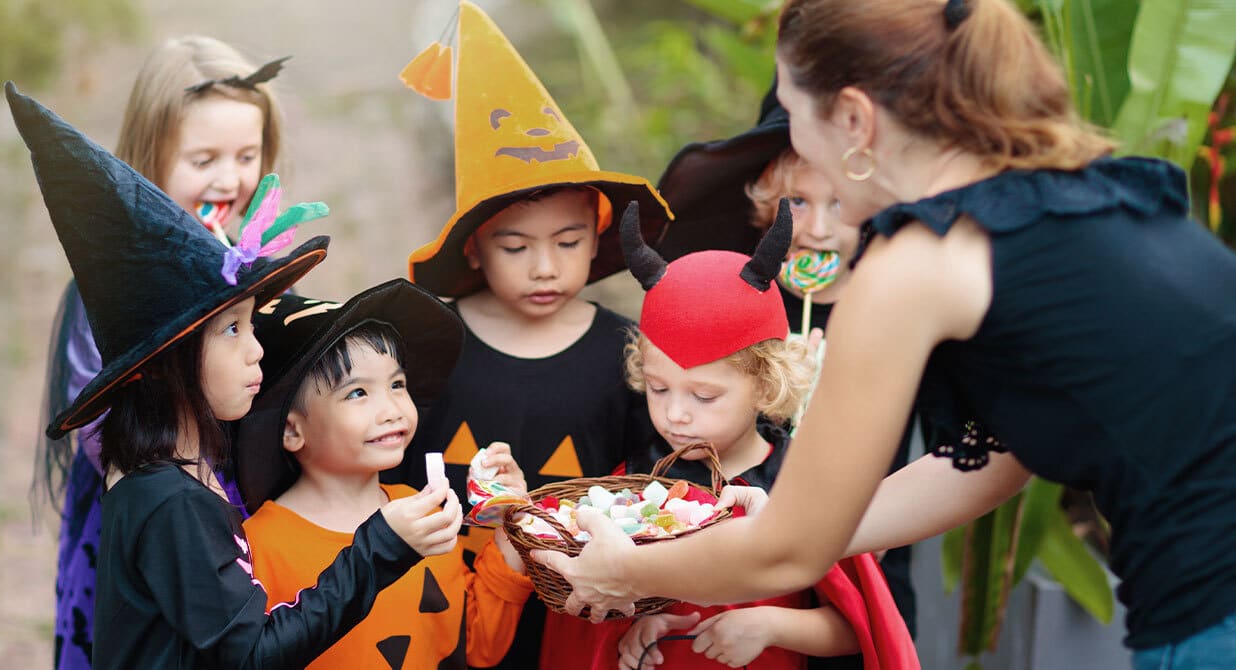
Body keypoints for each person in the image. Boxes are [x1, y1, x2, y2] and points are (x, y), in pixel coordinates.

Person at [533, 0, 1236, 667]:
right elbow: (990, 461)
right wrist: (781, 514)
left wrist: (625, 568)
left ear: (853, 120)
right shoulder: (1073, 196)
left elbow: (789, 556)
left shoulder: (917, 262)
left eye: (792, 110)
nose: (792, 144)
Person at [7, 83, 464, 669]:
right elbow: (250, 654)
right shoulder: (169, 501)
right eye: (232, 331)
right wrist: (380, 547)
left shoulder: (181, 474)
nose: (257, 353)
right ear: (169, 359)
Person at [391, 3, 672, 666]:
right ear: (474, 250)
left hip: (582, 614)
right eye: (516, 247)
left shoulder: (627, 350)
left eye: (568, 242)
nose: (545, 267)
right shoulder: (434, 346)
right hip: (451, 612)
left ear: (598, 233)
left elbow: (656, 487)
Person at [538, 202, 918, 670]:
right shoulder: (636, 487)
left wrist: (772, 626)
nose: (675, 415)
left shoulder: (801, 485)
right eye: (658, 389)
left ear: (766, 384)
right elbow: (601, 613)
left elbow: (855, 627)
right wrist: (638, 627)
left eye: (704, 396)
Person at [33, 35, 290, 670]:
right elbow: (103, 426)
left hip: (236, 509)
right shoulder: (111, 293)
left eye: (246, 155)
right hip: (151, 513)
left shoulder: (246, 262)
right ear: (152, 158)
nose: (229, 178)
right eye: (203, 159)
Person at [656, 84, 918, 637]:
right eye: (797, 202)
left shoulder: (899, 310)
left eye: (840, 203)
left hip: (858, 559)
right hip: (738, 566)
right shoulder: (739, 302)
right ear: (763, 205)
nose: (819, 228)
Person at [234, 283, 537, 668]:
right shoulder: (261, 545)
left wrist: (512, 527)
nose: (392, 409)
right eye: (357, 393)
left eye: (397, 385)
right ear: (293, 431)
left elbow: (476, 645)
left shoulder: (424, 511)